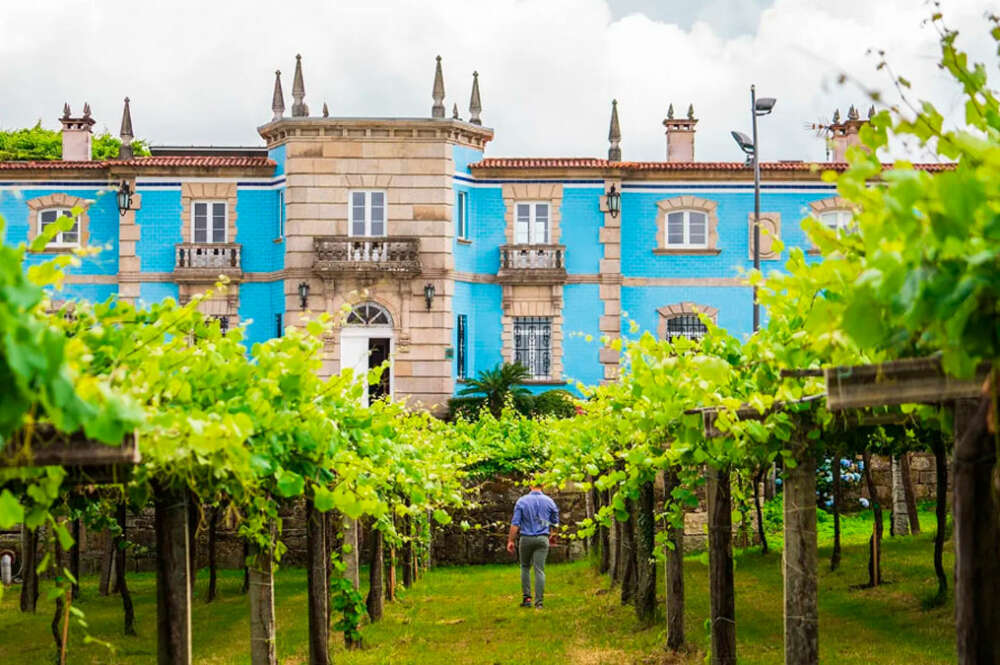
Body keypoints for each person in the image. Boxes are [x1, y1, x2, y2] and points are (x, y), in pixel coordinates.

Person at [506, 484, 559, 609]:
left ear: (530, 485)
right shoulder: (550, 502)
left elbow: (515, 524)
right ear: (543, 485)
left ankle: (527, 598)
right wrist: (553, 536)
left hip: (526, 539)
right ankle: (539, 602)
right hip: (542, 538)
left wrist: (511, 540)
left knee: (525, 567)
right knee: (539, 570)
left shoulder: (522, 501)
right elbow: (555, 523)